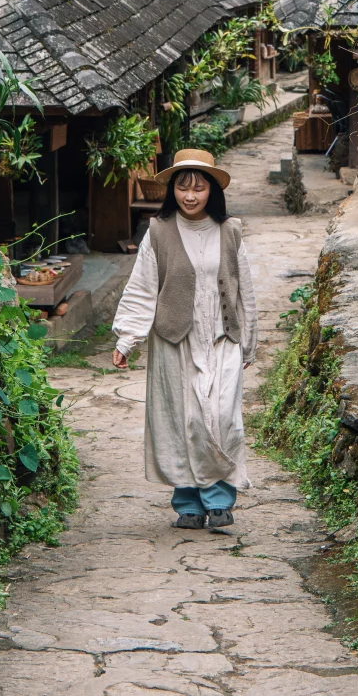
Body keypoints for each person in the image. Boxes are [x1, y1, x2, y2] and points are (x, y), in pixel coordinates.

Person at [111, 148, 258, 529]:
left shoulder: (231, 230)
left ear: (213, 191)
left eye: (198, 188)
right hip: (175, 339)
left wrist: (249, 339)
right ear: (172, 190)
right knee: (181, 420)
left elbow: (245, 289)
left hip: (222, 336)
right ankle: (190, 503)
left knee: (223, 417)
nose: (190, 196)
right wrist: (127, 338)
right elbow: (143, 288)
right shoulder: (158, 232)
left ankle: (219, 495)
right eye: (182, 187)